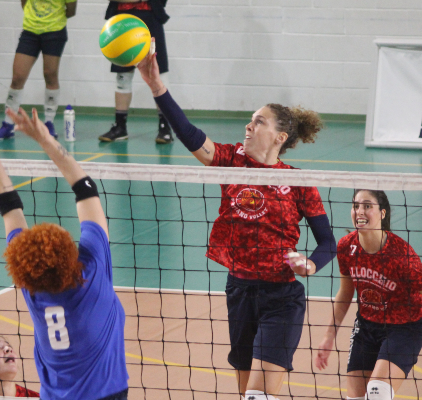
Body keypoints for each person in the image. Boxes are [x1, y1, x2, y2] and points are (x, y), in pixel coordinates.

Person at [133, 41, 337, 399]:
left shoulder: (298, 181)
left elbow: (328, 242)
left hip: (280, 296)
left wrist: (310, 264)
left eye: (259, 121)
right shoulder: (231, 161)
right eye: (250, 119)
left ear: (280, 137)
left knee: (258, 395)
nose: (249, 125)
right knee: (246, 394)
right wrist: (156, 87)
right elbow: (188, 133)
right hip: (239, 292)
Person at [0, 104, 129, 400]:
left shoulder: (32, 290)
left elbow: (8, 205)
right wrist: (45, 140)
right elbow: (85, 188)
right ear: (68, 254)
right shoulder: (92, 271)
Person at [315, 189, 422, 400]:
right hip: (366, 327)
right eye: (355, 206)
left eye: (367, 206)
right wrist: (329, 336)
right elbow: (345, 293)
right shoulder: (347, 246)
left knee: (377, 395)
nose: (360, 211)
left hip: (404, 329)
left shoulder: (400, 255)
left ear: (382, 213)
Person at [0, 0, 77, 140]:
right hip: (30, 31)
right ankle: (8, 125)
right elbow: (24, 3)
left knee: (50, 75)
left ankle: (48, 123)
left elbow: (71, 11)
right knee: (18, 77)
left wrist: (51, 18)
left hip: (55, 31)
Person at [98, 0, 172, 144]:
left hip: (150, 18)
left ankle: (165, 127)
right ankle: (120, 127)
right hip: (122, 21)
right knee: (122, 76)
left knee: (158, 74)